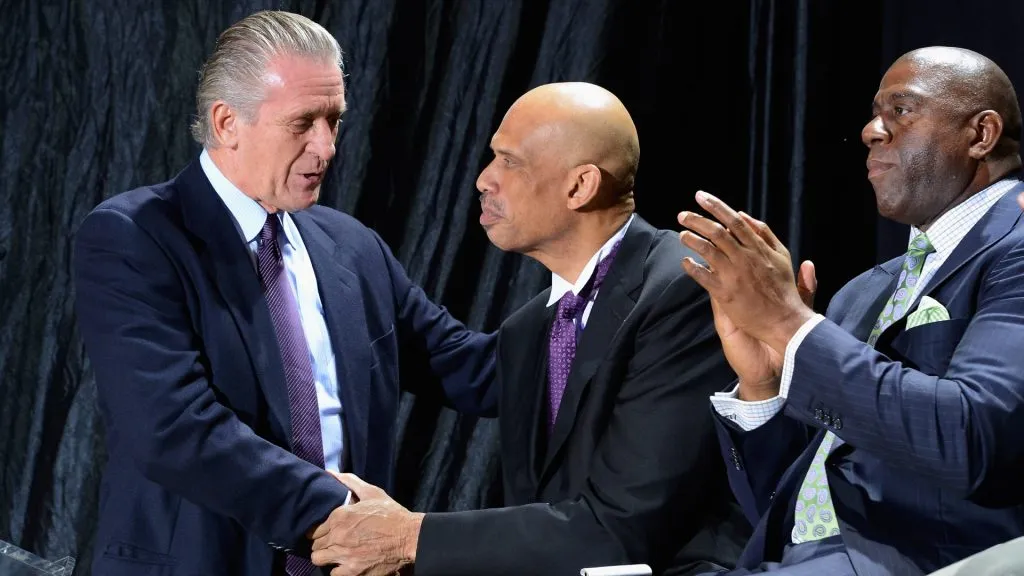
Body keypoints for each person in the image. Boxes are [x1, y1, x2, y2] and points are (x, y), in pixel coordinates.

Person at [72, 11, 497, 576]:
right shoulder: (135, 236)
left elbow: (468, 367)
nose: (326, 148)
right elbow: (175, 426)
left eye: (334, 120)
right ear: (227, 123)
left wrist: (604, 316)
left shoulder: (353, 246)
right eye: (303, 123)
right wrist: (346, 515)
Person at [306, 82, 750, 576]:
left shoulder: (683, 289)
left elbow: (622, 529)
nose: (483, 179)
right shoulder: (529, 330)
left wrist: (412, 536)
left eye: (509, 162)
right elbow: (544, 524)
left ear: (579, 186)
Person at [676, 46, 1024, 575]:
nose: (871, 130)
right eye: (874, 113)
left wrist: (791, 325)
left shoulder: (1015, 247)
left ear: (981, 135)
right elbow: (786, 506)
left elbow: (972, 438)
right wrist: (764, 386)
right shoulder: (864, 294)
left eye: (900, 111)